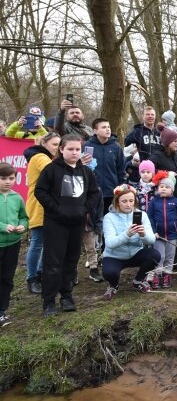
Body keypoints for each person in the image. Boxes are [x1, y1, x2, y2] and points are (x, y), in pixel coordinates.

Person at [35, 134, 101, 315]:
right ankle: (49, 301)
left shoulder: (86, 172)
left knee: (71, 261)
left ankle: (66, 295)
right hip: (55, 223)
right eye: (70, 149)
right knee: (53, 262)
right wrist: (56, 209)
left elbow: (95, 194)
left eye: (77, 149)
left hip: (77, 222)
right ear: (61, 149)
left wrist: (84, 209)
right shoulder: (51, 169)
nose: (74, 153)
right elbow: (40, 191)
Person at [101, 185, 161, 299]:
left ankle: (138, 281)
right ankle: (114, 285)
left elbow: (152, 240)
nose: (128, 204)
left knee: (155, 255)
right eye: (124, 201)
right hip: (114, 256)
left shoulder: (141, 215)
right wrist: (127, 234)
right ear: (117, 202)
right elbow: (110, 243)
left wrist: (143, 234)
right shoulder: (109, 217)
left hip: (135, 253)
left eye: (131, 201)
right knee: (109, 273)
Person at [23, 131, 60, 295]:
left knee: (47, 242)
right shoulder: (40, 157)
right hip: (39, 205)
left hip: (47, 205)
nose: (57, 148)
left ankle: (39, 272)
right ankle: (32, 278)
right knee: (37, 242)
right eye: (54, 145)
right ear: (44, 144)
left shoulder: (47, 157)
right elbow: (54, 172)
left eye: (59, 145)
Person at [0, 163, 28, 327]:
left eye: (11, 178)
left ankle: (2, 311)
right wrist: (3, 227)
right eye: (3, 178)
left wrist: (23, 226)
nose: (8, 182)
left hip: (13, 244)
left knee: (7, 278)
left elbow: (24, 217)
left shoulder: (17, 197)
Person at [147, 176, 177, 289]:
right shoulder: (154, 202)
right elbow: (150, 218)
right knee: (160, 256)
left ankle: (167, 275)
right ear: (158, 188)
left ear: (172, 190)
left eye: (167, 187)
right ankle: (157, 275)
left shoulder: (176, 202)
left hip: (172, 235)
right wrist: (153, 231)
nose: (163, 189)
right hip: (158, 236)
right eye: (161, 186)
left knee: (170, 256)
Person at [85, 118, 126, 214]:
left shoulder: (116, 147)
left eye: (108, 127)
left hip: (112, 191)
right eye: (104, 127)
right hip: (93, 191)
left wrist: (121, 187)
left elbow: (121, 169)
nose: (108, 129)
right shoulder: (87, 146)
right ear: (95, 131)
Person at [150, 124, 177, 194]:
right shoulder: (157, 155)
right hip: (164, 195)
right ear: (167, 142)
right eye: (175, 141)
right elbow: (149, 171)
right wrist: (166, 174)